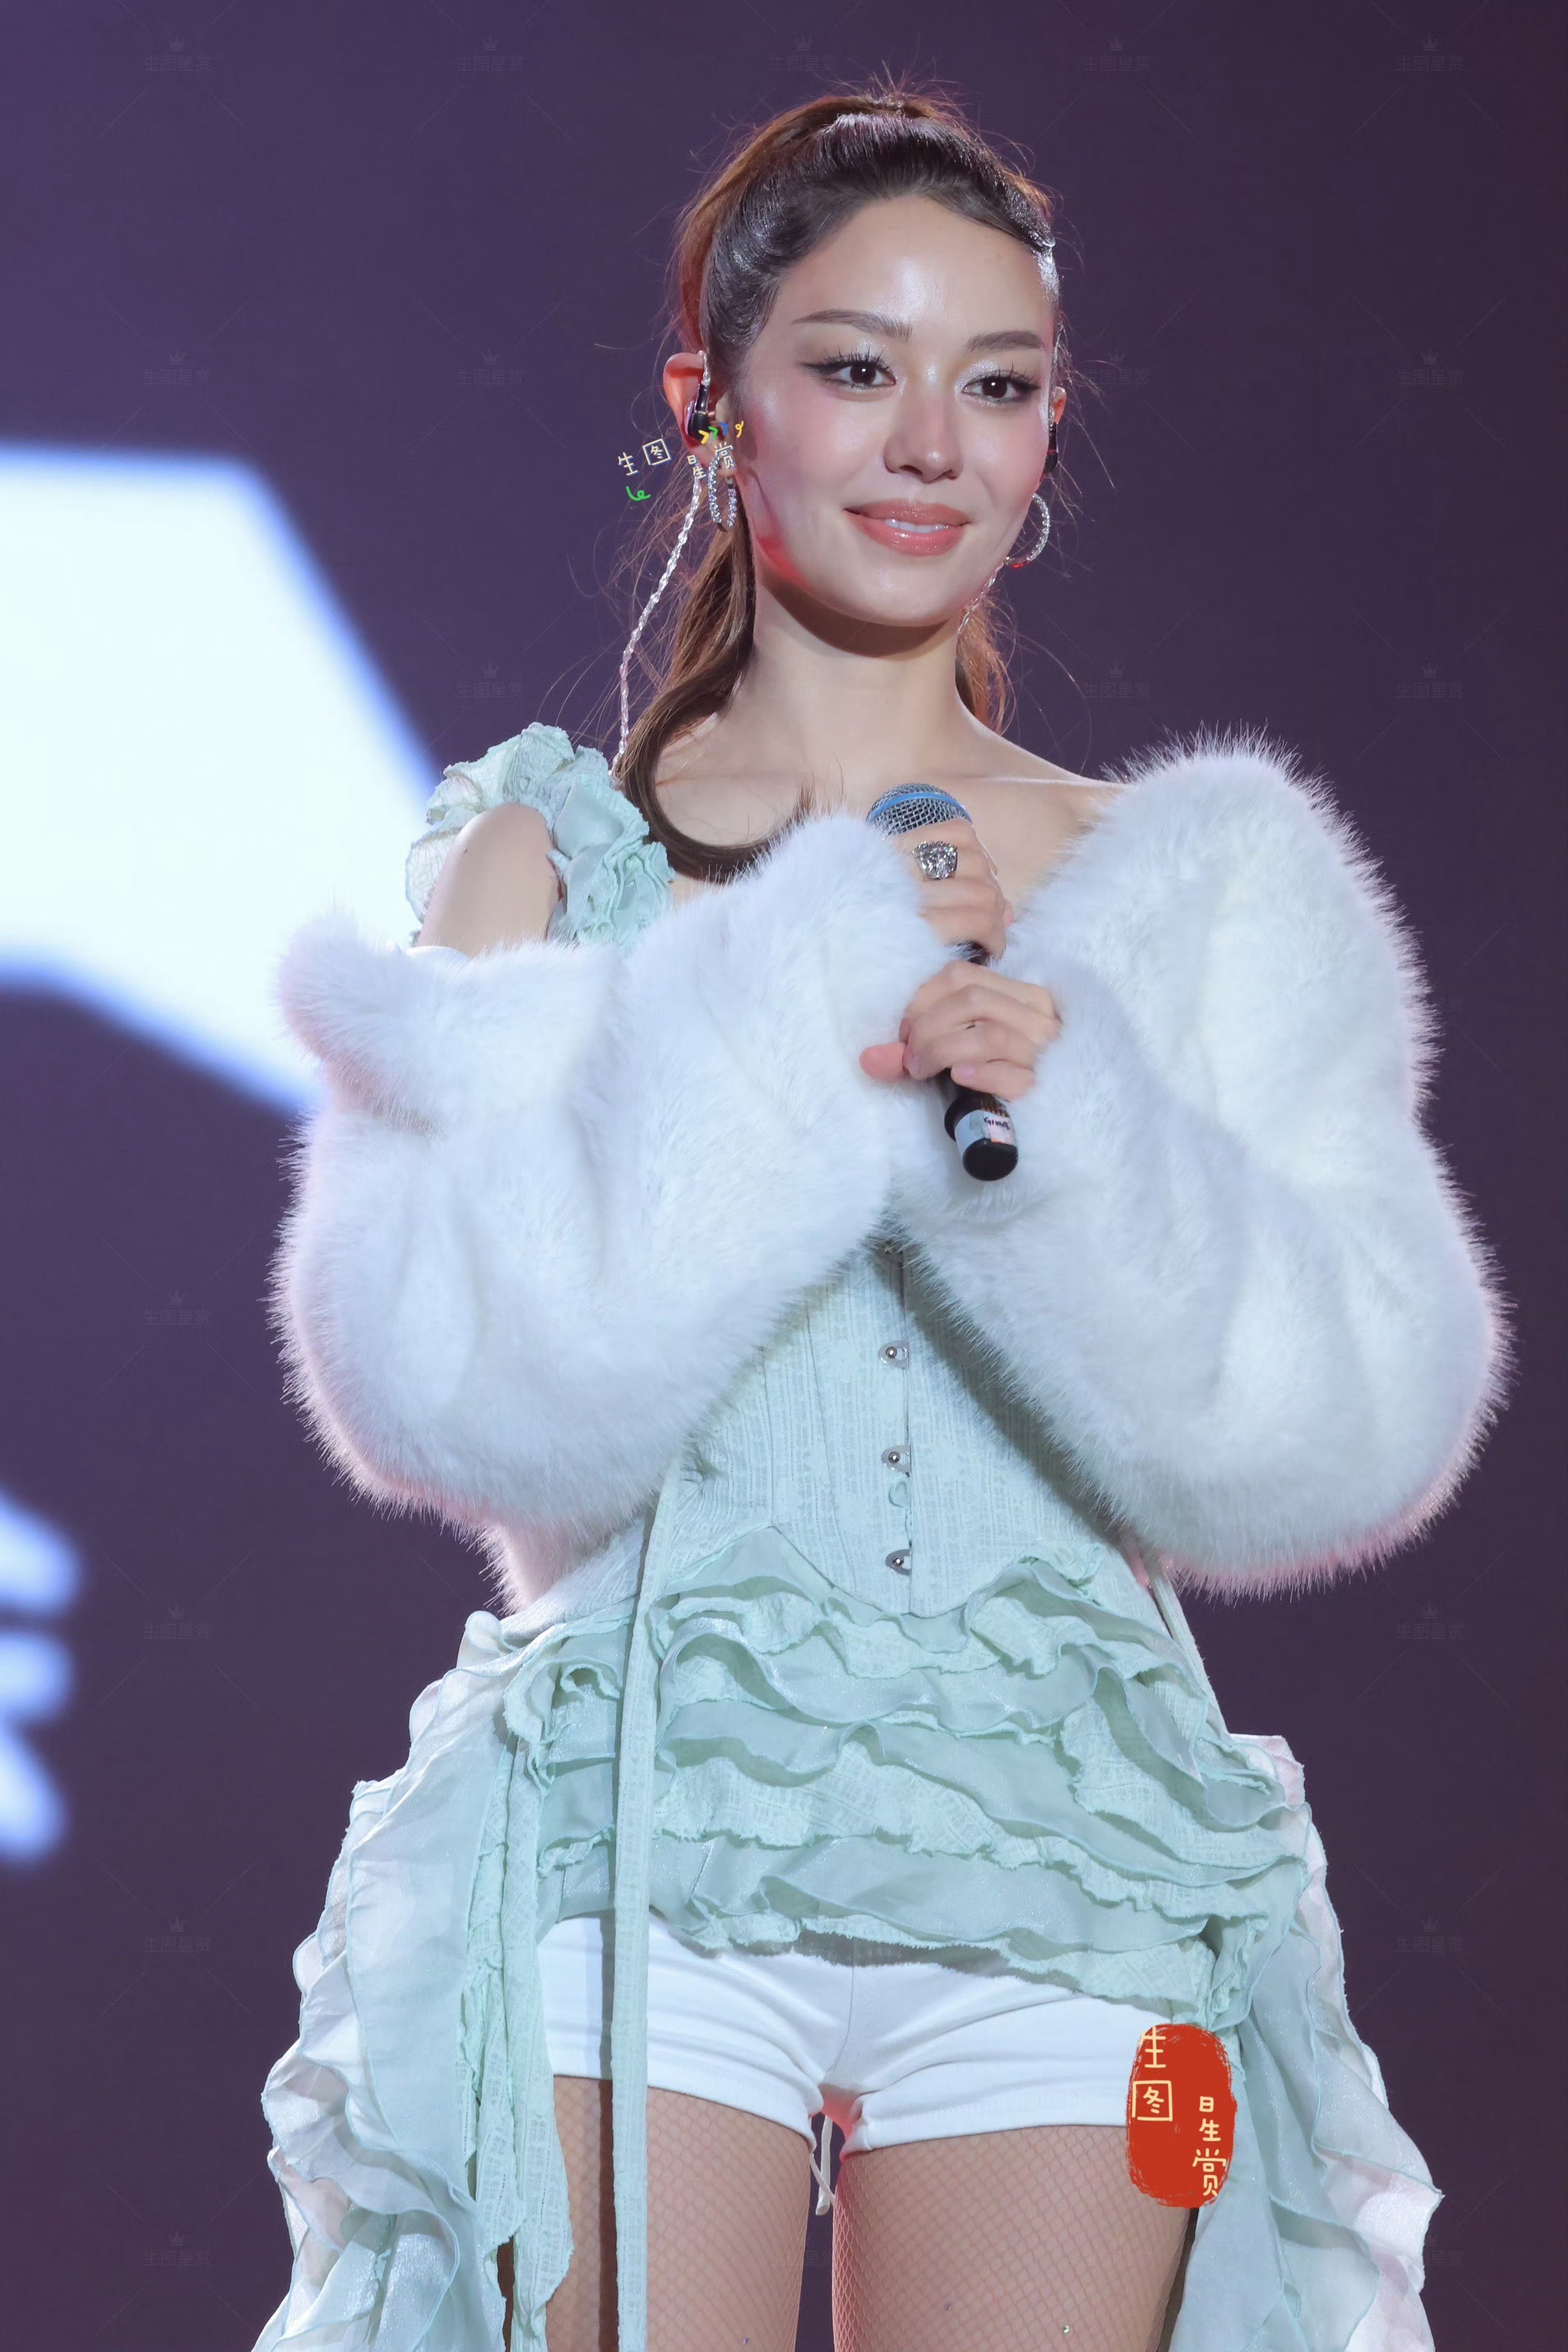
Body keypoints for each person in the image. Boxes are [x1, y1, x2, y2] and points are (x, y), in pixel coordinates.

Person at [250, 90, 1504, 2352]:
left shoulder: (1179, 882)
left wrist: (1082, 1135)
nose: (932, 444)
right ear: (713, 407)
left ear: (1047, 432)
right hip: (644, 1825)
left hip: (1072, 1837)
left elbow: (1353, 1413)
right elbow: (430, 1379)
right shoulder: (548, 862)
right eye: (856, 367)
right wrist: (789, 997)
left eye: (997, 384)